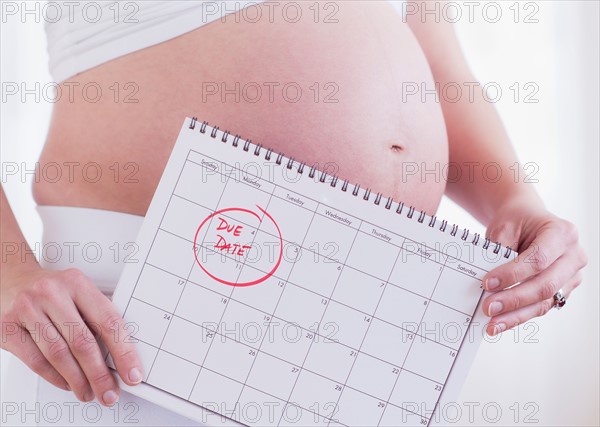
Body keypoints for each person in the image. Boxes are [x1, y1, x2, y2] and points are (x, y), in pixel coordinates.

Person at [0, 1, 587, 425]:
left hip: (372, 329)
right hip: (137, 315)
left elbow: (433, 55)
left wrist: (514, 199)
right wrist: (9, 274)